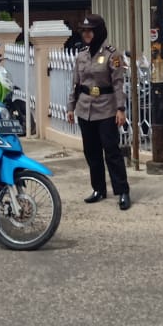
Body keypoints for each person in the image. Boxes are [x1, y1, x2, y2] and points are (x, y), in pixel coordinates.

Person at [67, 14, 130, 210]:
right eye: (84, 30)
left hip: (106, 108)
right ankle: (99, 189)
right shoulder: (81, 55)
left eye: (90, 30)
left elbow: (119, 84)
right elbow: (76, 84)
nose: (86, 34)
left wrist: (120, 109)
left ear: (99, 31)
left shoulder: (112, 54)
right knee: (91, 152)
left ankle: (122, 191)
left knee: (111, 151)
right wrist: (71, 107)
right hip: (85, 109)